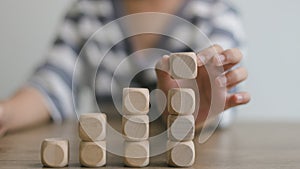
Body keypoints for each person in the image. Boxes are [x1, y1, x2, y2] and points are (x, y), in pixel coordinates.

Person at [0, 0, 250, 136]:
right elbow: (51, 84)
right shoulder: (86, 12)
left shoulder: (215, 13)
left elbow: (221, 95)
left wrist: (194, 113)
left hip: (195, 152)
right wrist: (6, 113)